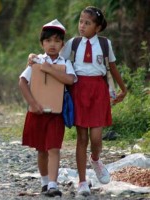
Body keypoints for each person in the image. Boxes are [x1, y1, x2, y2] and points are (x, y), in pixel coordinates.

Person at [58, 6, 127, 196]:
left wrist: (123, 88)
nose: (82, 26)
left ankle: (95, 159)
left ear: (97, 28)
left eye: (87, 23)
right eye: (81, 21)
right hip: (78, 91)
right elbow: (57, 60)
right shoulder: (73, 43)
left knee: (96, 138)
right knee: (82, 138)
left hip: (98, 92)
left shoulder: (105, 44)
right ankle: (82, 182)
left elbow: (112, 68)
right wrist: (37, 60)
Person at [19, 19, 76, 197]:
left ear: (62, 44)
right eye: (48, 41)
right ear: (42, 43)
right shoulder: (35, 61)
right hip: (37, 112)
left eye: (57, 41)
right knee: (41, 150)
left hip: (56, 113)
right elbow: (22, 82)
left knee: (54, 148)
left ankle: (53, 184)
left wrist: (50, 69)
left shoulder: (65, 63)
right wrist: (33, 103)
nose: (52, 44)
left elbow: (71, 80)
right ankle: (44, 182)